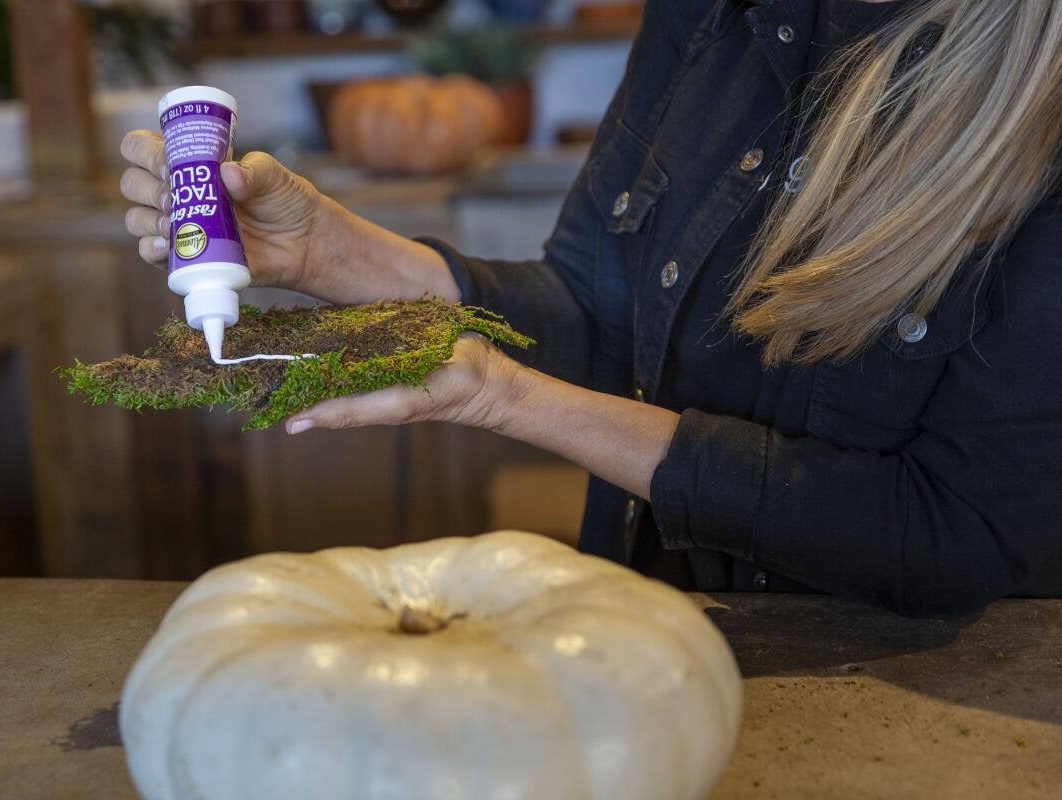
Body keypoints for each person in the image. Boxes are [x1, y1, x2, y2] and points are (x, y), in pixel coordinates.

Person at [120, 0, 1062, 617]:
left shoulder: (1030, 91)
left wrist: (507, 398)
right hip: (649, 623)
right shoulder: (709, 17)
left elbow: (959, 533)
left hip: (914, 706)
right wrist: (334, 252)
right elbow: (592, 308)